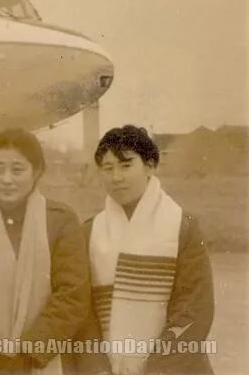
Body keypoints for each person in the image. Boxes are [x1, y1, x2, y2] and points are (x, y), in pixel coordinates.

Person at [0, 128, 91, 374]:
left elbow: (72, 295)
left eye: (17, 170)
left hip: (44, 360)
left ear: (36, 172)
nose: (6, 179)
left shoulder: (61, 221)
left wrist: (30, 352)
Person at [78, 125, 214, 375]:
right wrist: (98, 369)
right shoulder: (89, 232)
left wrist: (157, 369)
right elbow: (82, 313)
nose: (116, 177)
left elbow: (195, 308)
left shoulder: (182, 227)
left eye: (126, 165)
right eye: (108, 168)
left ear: (150, 166)